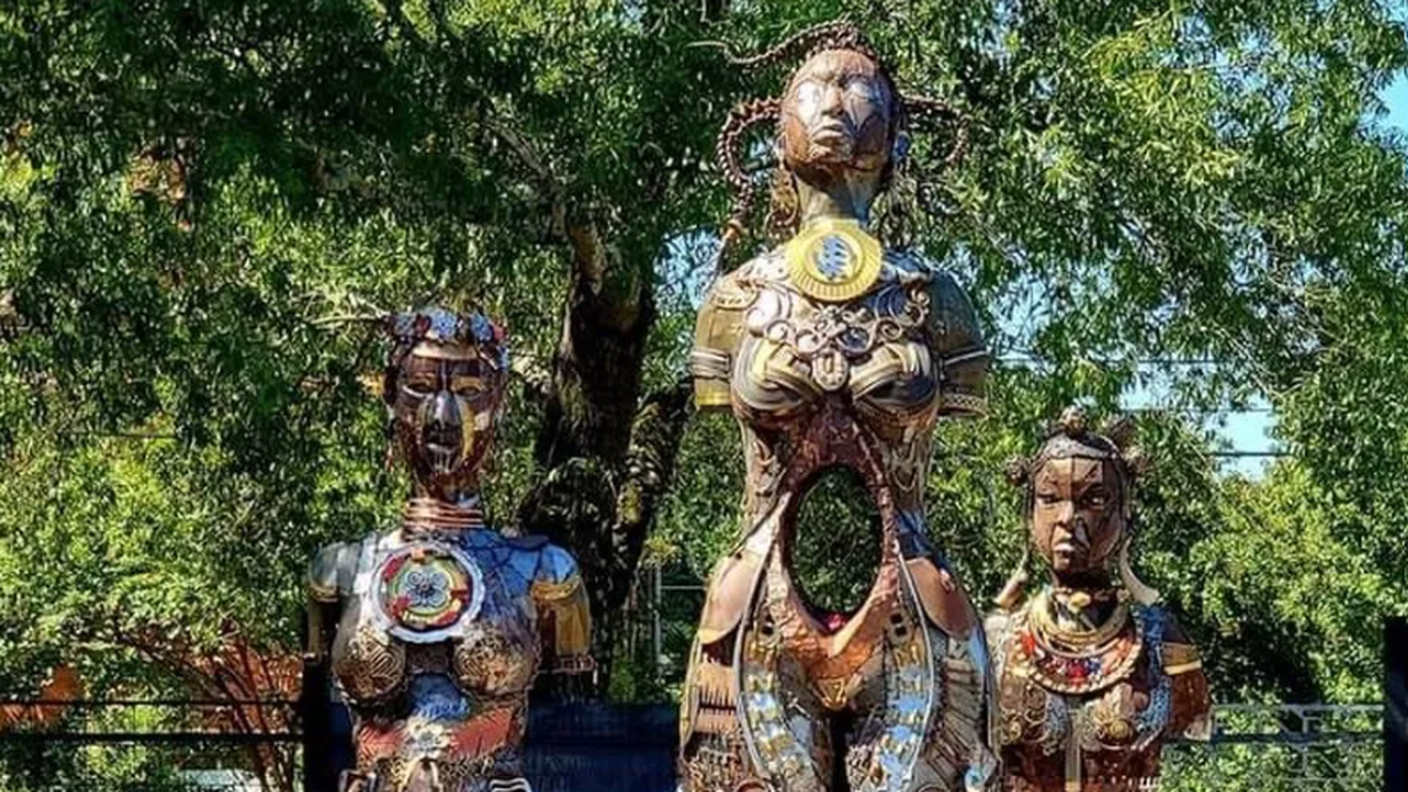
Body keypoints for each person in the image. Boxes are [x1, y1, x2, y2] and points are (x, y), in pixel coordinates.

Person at [681, 21, 995, 792]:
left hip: (913, 616)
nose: (836, 100)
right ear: (775, 129)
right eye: (815, 86)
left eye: (859, 87)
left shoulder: (936, 298)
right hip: (757, 610)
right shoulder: (736, 297)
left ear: (895, 135)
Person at [305, 307, 592, 792]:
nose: (442, 416)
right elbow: (312, 718)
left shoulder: (546, 571)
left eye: (467, 393)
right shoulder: (337, 570)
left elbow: (577, 722)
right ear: (391, 400)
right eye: (419, 389)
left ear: (496, 406)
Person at [987, 408, 1211, 791]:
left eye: (1094, 499)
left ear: (1125, 515)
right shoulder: (993, 640)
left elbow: (1197, 723)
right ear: (1028, 515)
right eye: (1049, 498)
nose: (1067, 517)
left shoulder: (1163, 641)